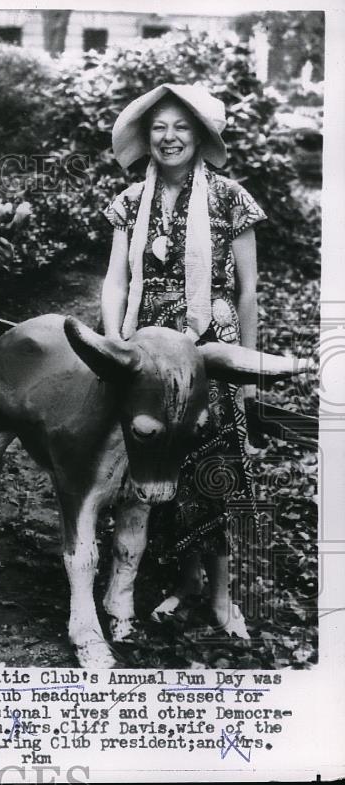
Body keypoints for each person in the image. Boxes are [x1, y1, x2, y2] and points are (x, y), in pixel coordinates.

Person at [100, 83, 267, 635]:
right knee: (154, 460)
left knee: (212, 465)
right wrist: (112, 347)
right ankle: (181, 583)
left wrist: (248, 375)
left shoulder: (230, 199)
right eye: (159, 128)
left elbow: (247, 292)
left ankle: (219, 596)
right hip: (146, 353)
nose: (169, 138)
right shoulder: (130, 202)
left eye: (182, 128)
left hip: (208, 350)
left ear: (201, 136)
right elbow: (116, 282)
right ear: (146, 137)